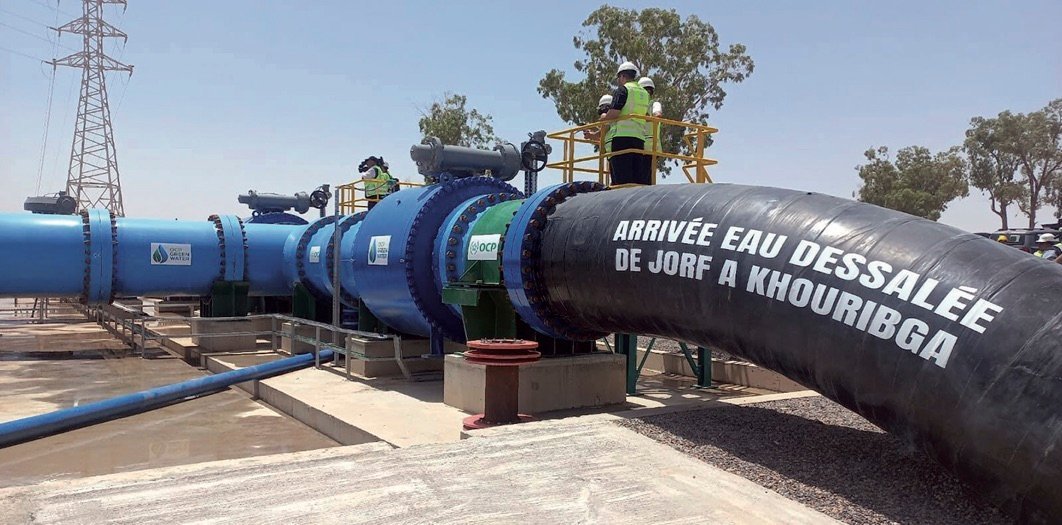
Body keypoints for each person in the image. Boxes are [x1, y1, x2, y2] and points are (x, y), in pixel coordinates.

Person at [600, 61, 651, 186]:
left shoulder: (623, 90)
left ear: (622, 76)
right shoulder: (644, 93)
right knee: (636, 179)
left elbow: (614, 113)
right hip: (639, 139)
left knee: (621, 181)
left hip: (622, 139)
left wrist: (604, 118)